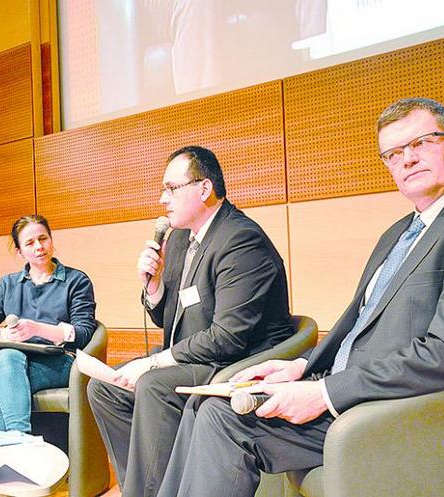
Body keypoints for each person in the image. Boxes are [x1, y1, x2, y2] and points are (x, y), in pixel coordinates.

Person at [156, 98, 444, 497]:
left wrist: (323, 393)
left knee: (225, 419)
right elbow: (359, 326)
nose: (406, 160)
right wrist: (302, 366)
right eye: (392, 154)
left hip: (395, 404)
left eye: (421, 143)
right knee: (205, 403)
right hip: (349, 383)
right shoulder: (399, 232)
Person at [87, 145, 294, 497]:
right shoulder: (182, 237)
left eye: (171, 188)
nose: (162, 199)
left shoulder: (241, 240)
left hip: (236, 362)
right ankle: (147, 487)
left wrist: (153, 363)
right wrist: (153, 287)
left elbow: (228, 337)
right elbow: (169, 318)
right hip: (200, 356)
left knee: (153, 383)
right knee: (105, 388)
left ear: (204, 188)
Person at [0, 214, 96, 433]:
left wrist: (37, 329)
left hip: (58, 362)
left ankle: (15, 446)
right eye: (30, 243)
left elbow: (84, 332)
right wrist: (5, 336)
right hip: (11, 359)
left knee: (3, 382)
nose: (39, 246)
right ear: (20, 251)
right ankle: (21, 443)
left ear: (51, 240)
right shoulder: (8, 284)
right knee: (8, 357)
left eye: (43, 238)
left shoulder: (76, 280)